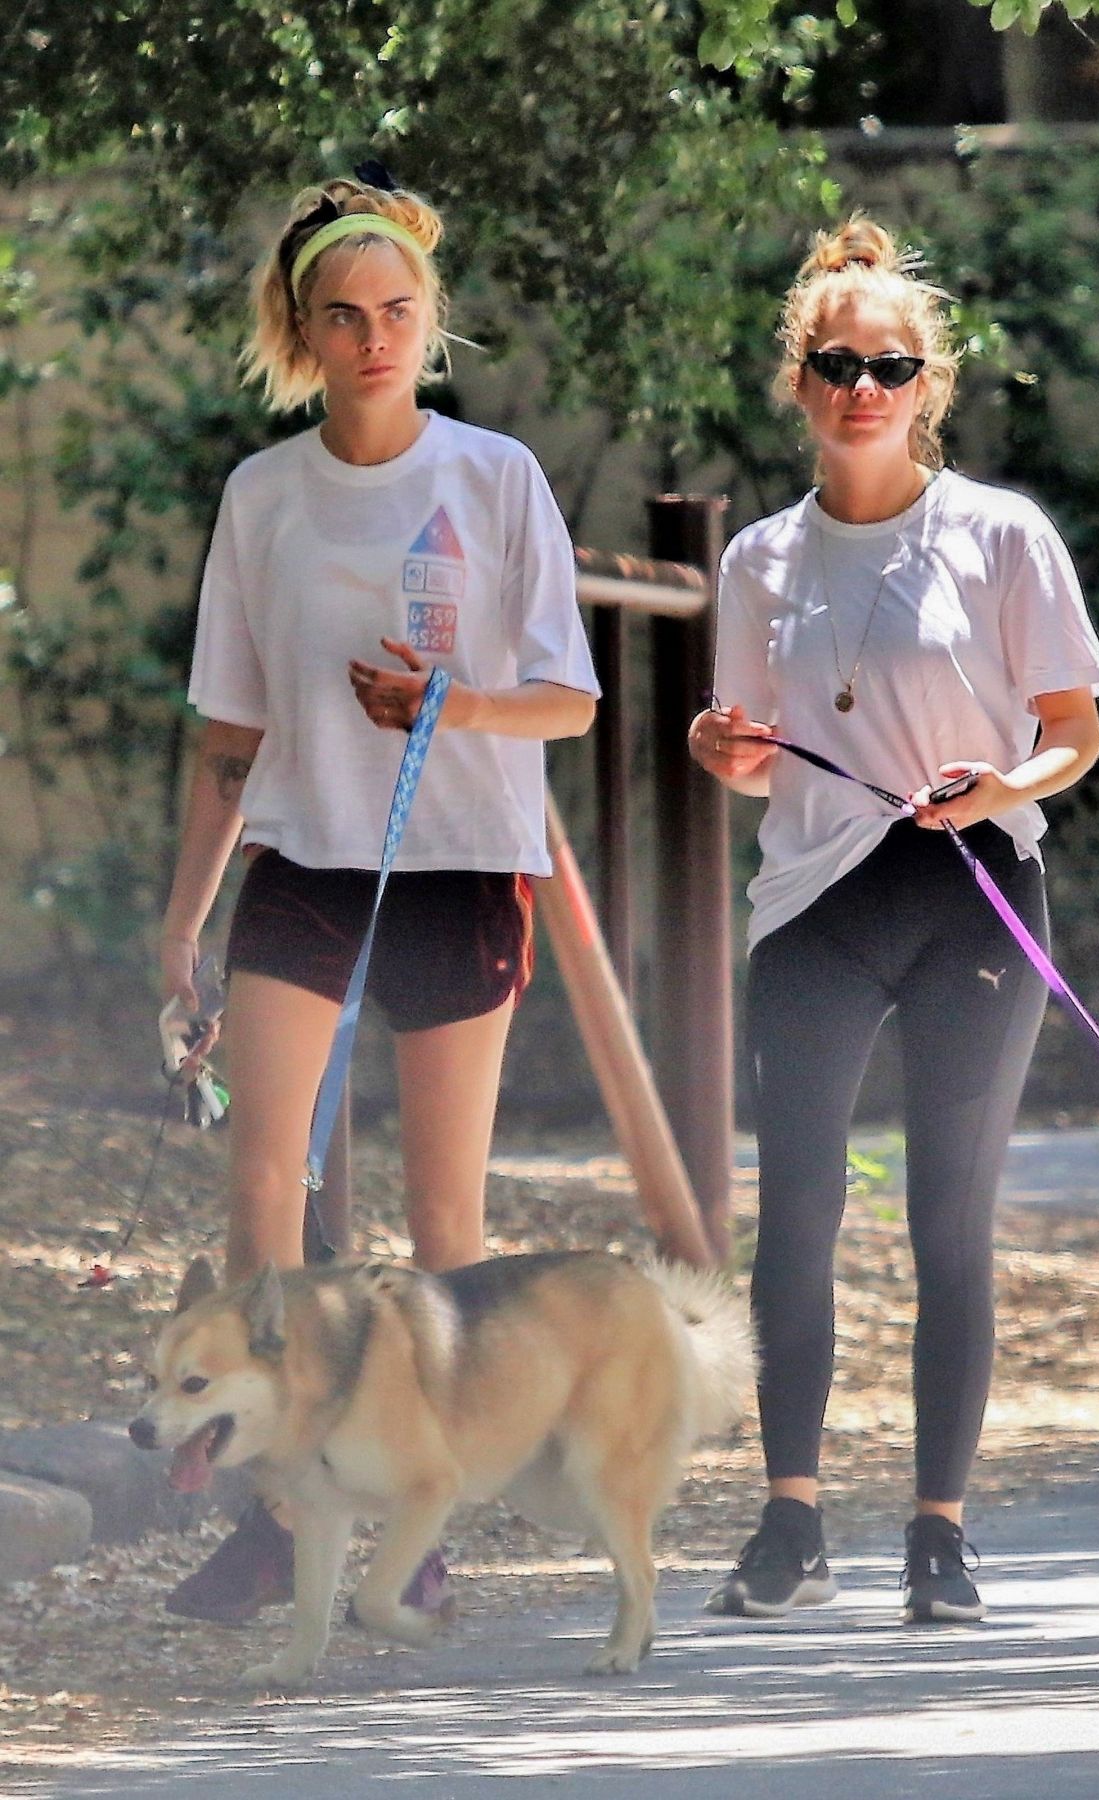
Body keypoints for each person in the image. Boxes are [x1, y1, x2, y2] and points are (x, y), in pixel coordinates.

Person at [159, 166, 599, 1623]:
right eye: (342, 315)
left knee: (445, 1221)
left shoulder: (497, 480)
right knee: (259, 1192)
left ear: (430, 320)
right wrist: (183, 926)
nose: (373, 338)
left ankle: (420, 1517)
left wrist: (451, 711)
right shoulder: (263, 495)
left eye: (398, 311)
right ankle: (284, 1516)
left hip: (463, 869)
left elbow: (568, 705)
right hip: (305, 870)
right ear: (302, 328)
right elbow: (231, 739)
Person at [689, 217, 1099, 1624]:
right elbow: (751, 740)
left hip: (974, 887)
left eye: (891, 363)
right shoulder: (758, 559)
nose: (863, 384)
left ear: (930, 382)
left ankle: (940, 1529)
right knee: (795, 1213)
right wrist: (723, 748)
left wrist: (1006, 783)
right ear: (798, 384)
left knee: (950, 1218)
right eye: (836, 362)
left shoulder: (1002, 533)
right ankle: (790, 1519)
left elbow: (1073, 733)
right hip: (815, 897)